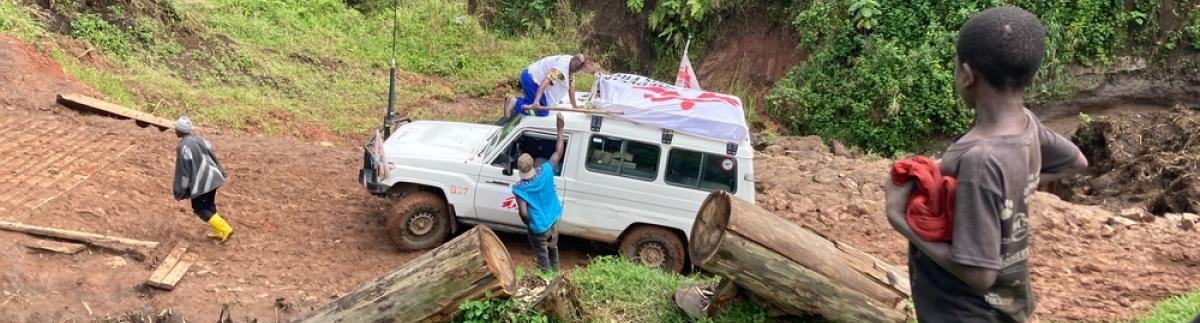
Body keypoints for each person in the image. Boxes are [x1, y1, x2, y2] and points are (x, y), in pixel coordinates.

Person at [884, 7, 1088, 322]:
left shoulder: (980, 161)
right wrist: (1019, 184)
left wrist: (899, 219)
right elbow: (1076, 161)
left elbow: (980, 274)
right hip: (1007, 305)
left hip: (964, 313)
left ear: (967, 75)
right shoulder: (1026, 125)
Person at [511, 112, 566, 272]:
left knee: (542, 256)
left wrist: (529, 223)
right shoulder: (547, 170)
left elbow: (523, 213)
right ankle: (556, 274)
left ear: (520, 170)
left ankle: (547, 279)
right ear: (533, 165)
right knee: (553, 248)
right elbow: (558, 153)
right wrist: (560, 130)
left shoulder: (520, 189)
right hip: (554, 217)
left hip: (539, 227)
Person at [172, 116, 234, 242]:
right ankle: (217, 231)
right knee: (209, 204)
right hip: (214, 177)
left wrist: (179, 190)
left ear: (179, 131)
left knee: (200, 209)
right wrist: (221, 171)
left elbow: (183, 172)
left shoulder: (183, 147)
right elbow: (213, 155)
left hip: (202, 182)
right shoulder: (201, 139)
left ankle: (225, 228)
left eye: (176, 128)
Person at [505, 54, 588, 121]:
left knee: (543, 104)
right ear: (574, 63)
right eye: (575, 69)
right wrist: (537, 101)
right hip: (531, 79)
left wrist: (575, 106)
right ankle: (515, 103)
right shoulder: (561, 68)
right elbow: (545, 82)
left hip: (533, 78)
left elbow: (571, 87)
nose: (576, 71)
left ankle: (515, 100)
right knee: (542, 112)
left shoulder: (571, 63)